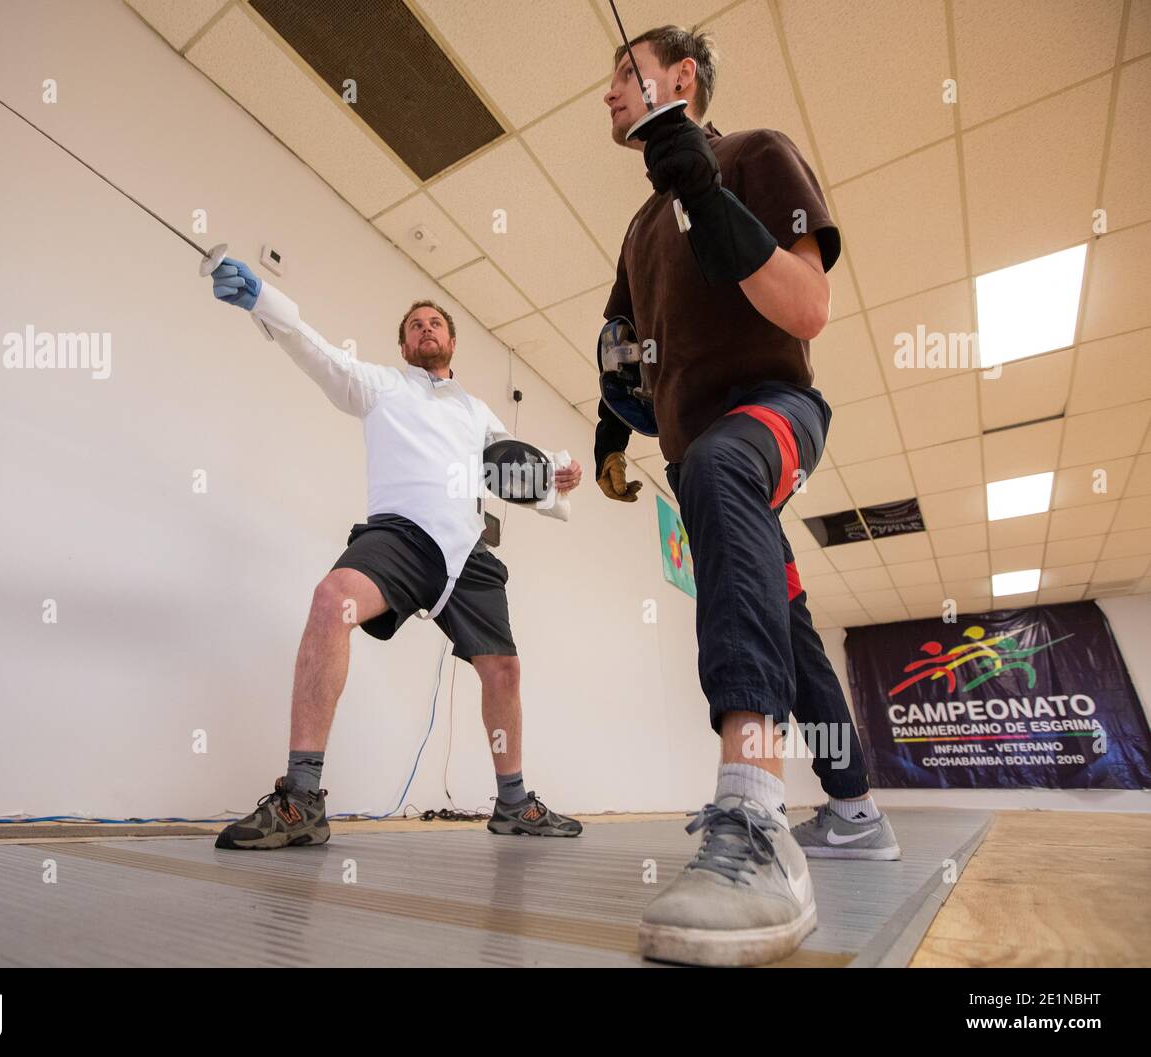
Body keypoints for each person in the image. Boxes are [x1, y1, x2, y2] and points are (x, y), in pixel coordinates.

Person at [597, 24, 899, 966]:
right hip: (697, 457)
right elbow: (623, 352)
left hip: (771, 414)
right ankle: (854, 811)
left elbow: (807, 309)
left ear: (682, 79)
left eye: (625, 75)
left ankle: (755, 817)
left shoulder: (754, 154)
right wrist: (612, 424)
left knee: (724, 466)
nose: (607, 95)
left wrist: (700, 182)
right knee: (788, 621)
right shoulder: (640, 231)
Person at [207, 265, 584, 847]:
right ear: (404, 345)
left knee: (504, 669)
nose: (426, 329)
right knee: (333, 600)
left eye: (435, 323)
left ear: (452, 342)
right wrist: (266, 302)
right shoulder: (381, 385)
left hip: (467, 551)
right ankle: (303, 798)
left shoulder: (478, 412)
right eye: (415, 325)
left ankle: (513, 805)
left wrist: (558, 477)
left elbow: (518, 472)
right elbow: (319, 353)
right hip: (400, 537)